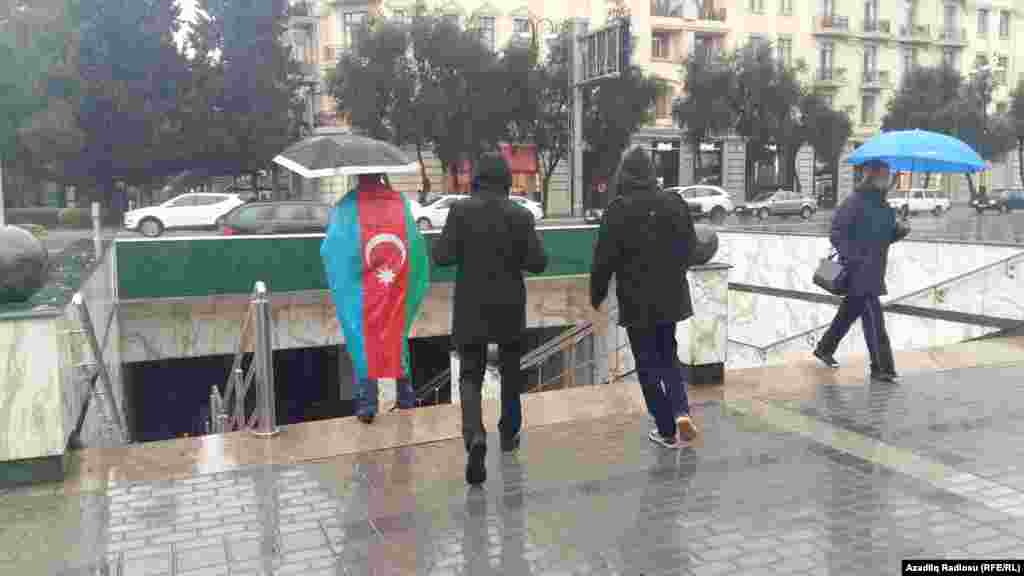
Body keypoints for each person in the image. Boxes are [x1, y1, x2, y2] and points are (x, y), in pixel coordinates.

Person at [433, 152, 547, 485]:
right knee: (512, 372)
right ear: (507, 180)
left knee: (470, 374)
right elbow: (538, 262)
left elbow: (442, 256)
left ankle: (475, 436)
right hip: (509, 305)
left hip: (471, 305)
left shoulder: (460, 211)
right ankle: (509, 434)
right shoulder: (521, 215)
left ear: (477, 178)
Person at [590, 146, 701, 449]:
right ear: (652, 172)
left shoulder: (618, 209)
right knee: (668, 354)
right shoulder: (674, 202)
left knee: (646, 364)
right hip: (670, 296)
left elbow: (603, 261)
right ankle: (681, 411)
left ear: (624, 174)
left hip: (636, 300)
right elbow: (690, 248)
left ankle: (666, 429)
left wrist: (596, 296)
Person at [321, 173, 430, 424]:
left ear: (358, 175)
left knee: (363, 341)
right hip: (393, 285)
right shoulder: (399, 201)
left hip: (363, 290)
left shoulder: (347, 205)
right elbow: (414, 244)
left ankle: (367, 404)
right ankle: (406, 399)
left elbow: (332, 248)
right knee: (396, 336)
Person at [814, 159, 909, 382]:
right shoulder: (854, 201)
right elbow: (836, 232)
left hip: (874, 269)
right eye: (884, 174)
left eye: (889, 174)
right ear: (872, 176)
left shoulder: (885, 206)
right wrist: (854, 257)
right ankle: (882, 368)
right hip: (859, 272)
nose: (888, 178)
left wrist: (900, 231)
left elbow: (883, 238)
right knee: (875, 321)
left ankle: (824, 349)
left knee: (848, 313)